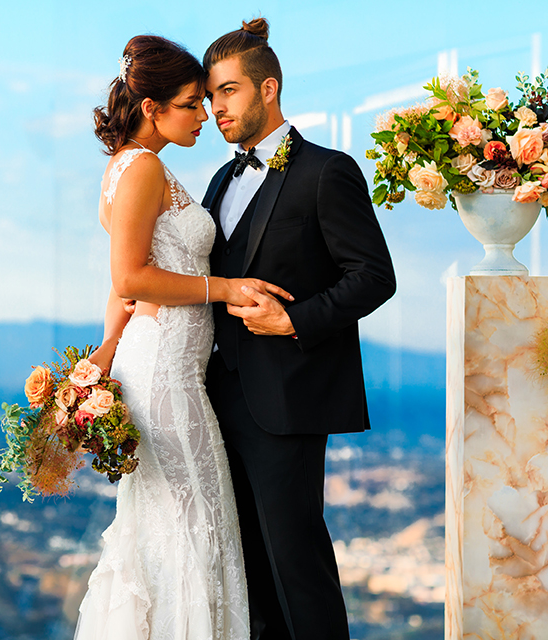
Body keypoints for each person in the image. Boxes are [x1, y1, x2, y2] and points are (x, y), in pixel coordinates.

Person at [75, 34, 292, 640]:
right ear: (152, 108)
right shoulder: (142, 168)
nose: (205, 115)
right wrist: (227, 288)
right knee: (197, 523)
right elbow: (130, 277)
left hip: (160, 366)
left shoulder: (131, 166)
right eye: (192, 103)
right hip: (166, 374)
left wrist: (105, 352)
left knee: (176, 525)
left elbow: (122, 287)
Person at [200, 18, 396, 640]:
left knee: (296, 563)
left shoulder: (326, 171)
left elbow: (373, 276)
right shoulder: (220, 180)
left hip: (287, 397)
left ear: (269, 89)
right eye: (210, 95)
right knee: (248, 568)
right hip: (215, 394)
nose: (216, 106)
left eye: (228, 90)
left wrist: (293, 319)